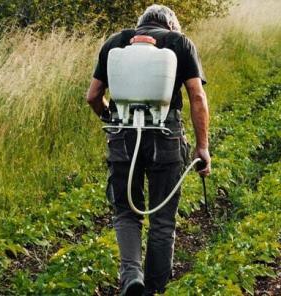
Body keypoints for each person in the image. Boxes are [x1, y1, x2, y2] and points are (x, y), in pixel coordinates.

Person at [84, 4, 211, 296]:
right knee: (162, 218)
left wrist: (111, 118)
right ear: (170, 24)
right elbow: (197, 96)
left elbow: (93, 96)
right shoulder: (181, 43)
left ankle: (131, 278)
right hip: (166, 136)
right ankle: (155, 289)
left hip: (122, 136)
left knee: (126, 212)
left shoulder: (114, 42)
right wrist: (202, 147)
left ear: (141, 24)